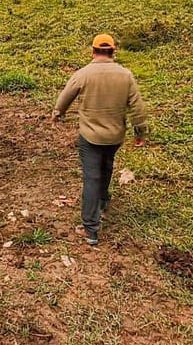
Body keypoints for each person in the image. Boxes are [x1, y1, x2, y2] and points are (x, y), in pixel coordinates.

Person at [52, 34, 147, 246]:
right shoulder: (126, 75)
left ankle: (91, 229)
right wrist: (140, 132)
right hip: (115, 136)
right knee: (107, 165)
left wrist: (58, 113)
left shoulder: (83, 74)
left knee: (91, 177)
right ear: (113, 51)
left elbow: (65, 97)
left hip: (90, 136)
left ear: (93, 51)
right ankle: (103, 200)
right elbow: (138, 108)